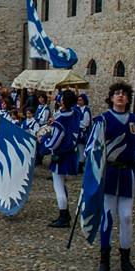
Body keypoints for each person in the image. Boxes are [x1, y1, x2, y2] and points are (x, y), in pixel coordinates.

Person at [91, 82, 135, 271]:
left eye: (124, 94)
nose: (120, 96)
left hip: (128, 175)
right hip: (109, 174)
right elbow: (93, 149)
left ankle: (125, 260)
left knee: (127, 218)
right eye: (116, 93)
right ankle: (104, 260)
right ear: (111, 98)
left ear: (128, 98)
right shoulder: (102, 121)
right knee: (107, 216)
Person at [40, 90, 80, 228]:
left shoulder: (60, 121)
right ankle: (66, 213)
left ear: (63, 102)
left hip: (61, 156)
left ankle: (63, 216)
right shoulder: (76, 113)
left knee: (58, 186)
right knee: (62, 184)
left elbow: (53, 144)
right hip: (71, 154)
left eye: (61, 98)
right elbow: (69, 105)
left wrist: (43, 139)